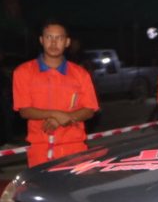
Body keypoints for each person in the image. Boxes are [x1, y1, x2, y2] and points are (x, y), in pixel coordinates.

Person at [12, 19, 99, 167]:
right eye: (49, 37)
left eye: (59, 38)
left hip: (74, 147)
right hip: (40, 149)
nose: (53, 43)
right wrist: (55, 114)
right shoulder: (23, 72)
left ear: (67, 42)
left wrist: (65, 118)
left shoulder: (80, 74)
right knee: (41, 183)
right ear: (41, 40)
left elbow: (90, 110)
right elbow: (24, 110)